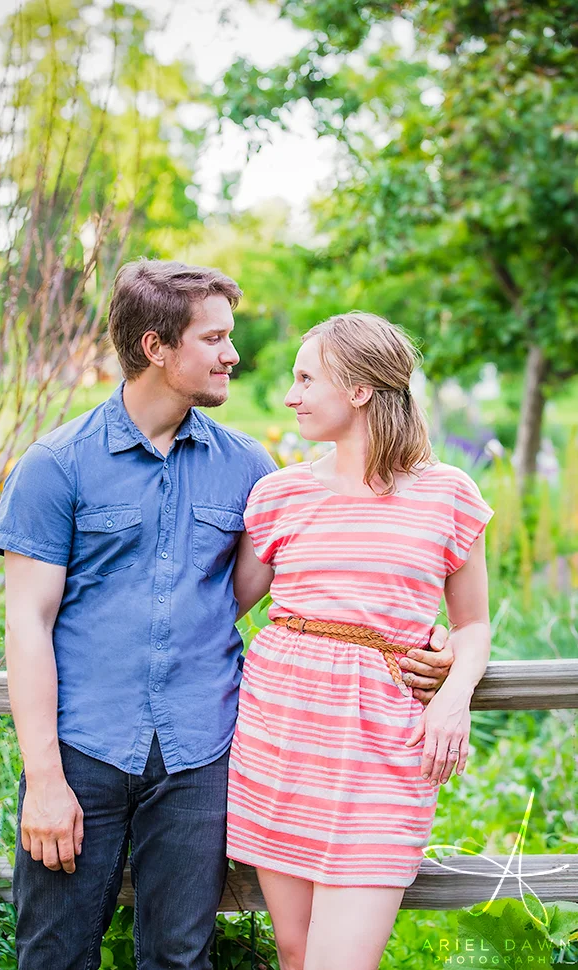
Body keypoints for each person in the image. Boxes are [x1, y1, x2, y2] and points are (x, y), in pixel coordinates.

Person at [0, 262, 453, 970]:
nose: (232, 354)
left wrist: (430, 638)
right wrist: (45, 779)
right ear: (156, 347)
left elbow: (303, 579)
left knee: (181, 956)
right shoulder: (58, 464)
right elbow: (26, 626)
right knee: (53, 954)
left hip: (199, 755)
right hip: (83, 749)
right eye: (214, 337)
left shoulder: (249, 470)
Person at [227, 311, 493, 970]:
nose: (290, 396)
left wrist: (452, 695)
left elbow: (473, 624)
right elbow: (220, 609)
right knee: (293, 952)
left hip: (382, 748)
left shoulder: (447, 495)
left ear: (359, 389)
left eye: (305, 378)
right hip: (280, 739)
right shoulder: (279, 495)